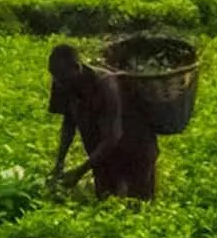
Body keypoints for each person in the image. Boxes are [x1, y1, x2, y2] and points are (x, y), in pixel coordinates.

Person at [47, 43, 158, 200]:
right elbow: (68, 122)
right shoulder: (62, 81)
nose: (58, 83)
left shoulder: (105, 85)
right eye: (54, 76)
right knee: (105, 202)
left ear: (76, 68)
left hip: (135, 149)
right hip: (101, 155)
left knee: (138, 204)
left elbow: (113, 137)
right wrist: (59, 162)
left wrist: (79, 172)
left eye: (61, 78)